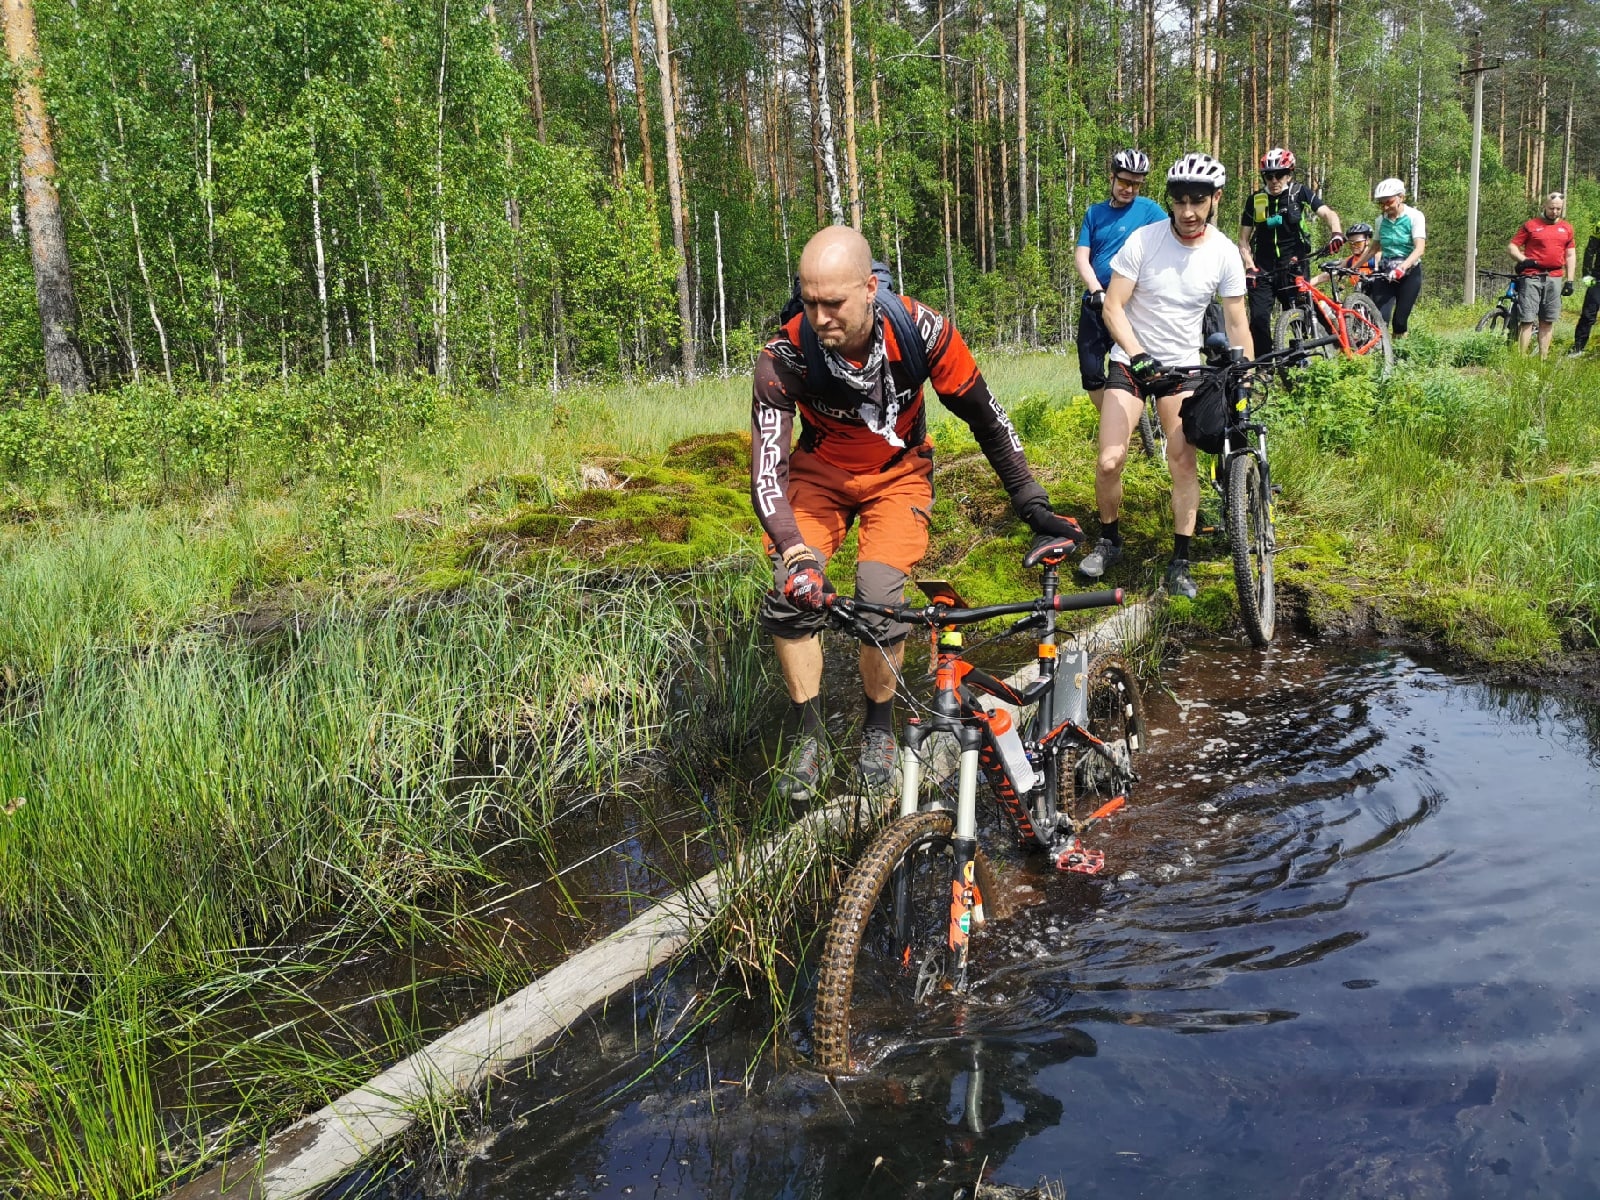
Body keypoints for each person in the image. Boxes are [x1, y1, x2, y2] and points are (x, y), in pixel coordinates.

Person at [751, 225, 1083, 800]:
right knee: (789, 591)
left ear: (869, 287)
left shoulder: (923, 332)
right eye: (809, 302)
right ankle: (809, 736)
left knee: (880, 594)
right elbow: (766, 472)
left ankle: (877, 728)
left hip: (898, 474)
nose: (820, 316)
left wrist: (1032, 504)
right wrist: (797, 553)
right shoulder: (784, 356)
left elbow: (987, 418)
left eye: (834, 303)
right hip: (819, 473)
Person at [1089, 152, 1253, 599]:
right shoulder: (1144, 240)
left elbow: (1237, 321)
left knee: (1182, 462)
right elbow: (1112, 306)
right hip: (1132, 363)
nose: (1187, 211)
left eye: (1197, 201)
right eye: (1179, 201)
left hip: (1184, 368)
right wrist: (1138, 353)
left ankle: (1180, 562)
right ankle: (1109, 540)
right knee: (1110, 461)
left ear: (1215, 199)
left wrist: (1245, 376)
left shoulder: (1223, 252)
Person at [1074, 149, 1166, 411]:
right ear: (1111, 178)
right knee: (1091, 373)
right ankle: (1113, 423)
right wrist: (1095, 290)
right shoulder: (1094, 213)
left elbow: (1171, 239)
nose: (1130, 189)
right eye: (1125, 181)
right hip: (1096, 301)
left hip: (1129, 301)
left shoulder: (1150, 211)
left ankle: (1150, 420)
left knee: (1133, 363)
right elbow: (1082, 257)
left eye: (1137, 184)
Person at [1237, 148, 1344, 357]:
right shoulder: (1256, 200)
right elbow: (1243, 239)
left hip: (1294, 262)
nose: (1274, 180)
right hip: (1262, 267)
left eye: (1280, 174)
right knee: (1258, 319)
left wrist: (1336, 233)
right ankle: (1265, 367)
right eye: (1269, 176)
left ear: (1289, 173)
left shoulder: (1299, 192)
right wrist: (1250, 266)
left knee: (1300, 313)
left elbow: (1328, 213)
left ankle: (1332, 344)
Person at [1508, 192, 1576, 358]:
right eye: (1552, 208)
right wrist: (1524, 260)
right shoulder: (1531, 225)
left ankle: (1543, 358)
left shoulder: (1566, 228)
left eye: (1558, 209)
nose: (1554, 212)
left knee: (1547, 320)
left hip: (1554, 277)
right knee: (1527, 320)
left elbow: (1570, 255)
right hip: (1532, 276)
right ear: (1544, 206)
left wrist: (1570, 280)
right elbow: (1512, 247)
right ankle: (1522, 359)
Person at [1362, 178, 1426, 337]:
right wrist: (1352, 267)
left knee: (1400, 321)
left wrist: (1402, 267)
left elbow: (1419, 249)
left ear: (1401, 198)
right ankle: (1382, 356)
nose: (1385, 207)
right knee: (1380, 319)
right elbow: (1373, 249)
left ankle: (1400, 355)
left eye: (1388, 202)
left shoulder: (1414, 216)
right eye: (1381, 204)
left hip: (1409, 273)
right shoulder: (1380, 221)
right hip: (1385, 273)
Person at [1568, 216, 1600, 356]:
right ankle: (1578, 348)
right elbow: (1590, 251)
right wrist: (1587, 275)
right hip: (1598, 277)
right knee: (1588, 314)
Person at [1310, 222, 1374, 289]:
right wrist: (1306, 284)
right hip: (1362, 296)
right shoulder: (1350, 260)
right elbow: (1325, 276)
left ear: (1367, 241)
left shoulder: (1375, 257)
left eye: (1358, 243)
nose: (1354, 246)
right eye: (1351, 243)